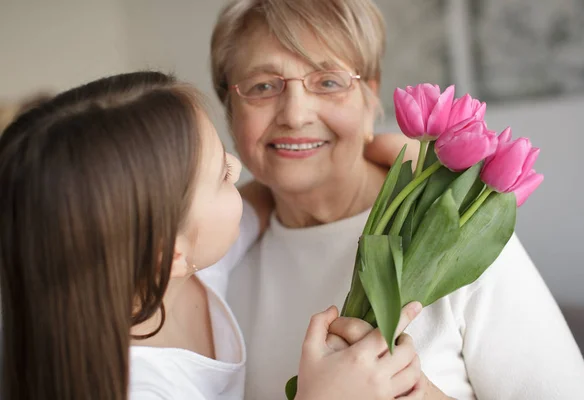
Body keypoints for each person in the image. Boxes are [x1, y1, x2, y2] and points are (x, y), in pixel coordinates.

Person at [210, 0, 584, 399]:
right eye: (262, 86)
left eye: (328, 81)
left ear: (369, 97)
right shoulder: (216, 269)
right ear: (229, 111)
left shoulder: (459, 231)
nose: (294, 113)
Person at [0, 71, 427, 400]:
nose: (239, 168)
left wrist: (377, 153)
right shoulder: (137, 387)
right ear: (168, 255)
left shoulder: (177, 265)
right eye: (222, 175)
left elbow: (261, 200)